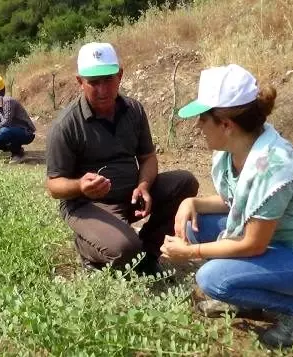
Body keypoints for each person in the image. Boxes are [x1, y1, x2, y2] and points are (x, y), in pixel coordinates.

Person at [160, 64, 293, 347]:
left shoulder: (271, 166)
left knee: (212, 279)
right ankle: (243, 299)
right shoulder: (238, 149)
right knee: (193, 223)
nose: (197, 127)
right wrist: (191, 201)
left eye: (202, 119)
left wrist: (190, 252)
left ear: (226, 124)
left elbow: (253, 245)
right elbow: (235, 201)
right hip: (279, 241)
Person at [45, 42, 199, 275]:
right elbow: (54, 185)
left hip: (131, 195)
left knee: (185, 182)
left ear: (120, 75)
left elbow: (147, 157)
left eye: (108, 80)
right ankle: (87, 247)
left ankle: (146, 253)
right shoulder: (66, 125)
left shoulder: (133, 110)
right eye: (93, 82)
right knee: (125, 249)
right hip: (88, 204)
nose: (102, 89)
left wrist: (144, 186)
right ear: (80, 82)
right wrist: (80, 186)